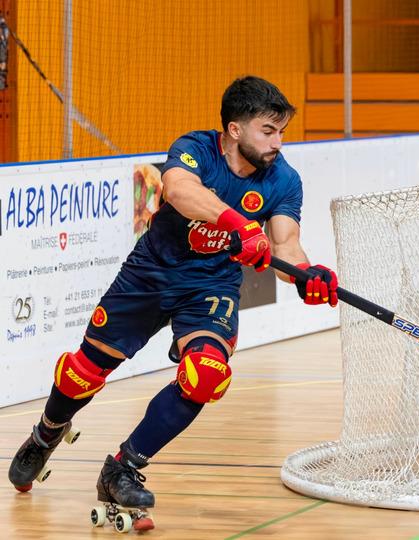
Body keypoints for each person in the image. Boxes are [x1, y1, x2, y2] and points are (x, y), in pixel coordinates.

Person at [8, 76, 338, 529]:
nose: (278, 142)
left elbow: (286, 248)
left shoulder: (284, 180)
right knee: (83, 371)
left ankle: (122, 466)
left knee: (206, 375)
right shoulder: (195, 149)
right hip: (150, 274)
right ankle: (45, 434)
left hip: (210, 286)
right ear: (235, 129)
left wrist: (308, 276)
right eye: (268, 130)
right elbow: (180, 191)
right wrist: (241, 225)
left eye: (281, 131)